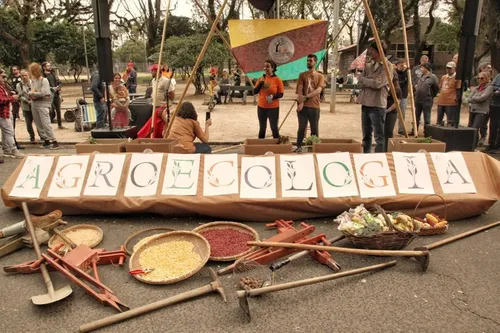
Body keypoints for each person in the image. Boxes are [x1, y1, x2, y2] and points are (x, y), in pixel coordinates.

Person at [357, 41, 390, 153]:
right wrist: (367, 81)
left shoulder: (387, 66)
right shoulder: (368, 65)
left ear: (379, 51)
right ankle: (366, 156)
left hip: (377, 105)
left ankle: (379, 158)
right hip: (366, 103)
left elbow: (378, 84)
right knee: (366, 135)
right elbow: (360, 82)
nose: (370, 52)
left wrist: (365, 80)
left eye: (372, 50)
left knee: (379, 137)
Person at [295, 54, 324, 152]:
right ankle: (299, 146)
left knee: (314, 129)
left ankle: (314, 148)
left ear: (315, 62)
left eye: (310, 61)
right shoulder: (302, 75)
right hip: (303, 106)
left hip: (314, 106)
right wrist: (301, 102)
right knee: (301, 128)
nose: (308, 62)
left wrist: (306, 97)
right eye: (307, 60)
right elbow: (300, 89)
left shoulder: (320, 76)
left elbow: (318, 90)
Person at [28, 63, 59, 149]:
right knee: (38, 123)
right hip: (34, 104)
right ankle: (46, 140)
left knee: (46, 123)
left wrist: (33, 93)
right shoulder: (33, 80)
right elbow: (32, 91)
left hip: (43, 104)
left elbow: (45, 93)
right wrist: (32, 94)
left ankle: (54, 141)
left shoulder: (44, 80)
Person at [253, 60, 284, 140]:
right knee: (262, 128)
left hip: (273, 108)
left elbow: (281, 94)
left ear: (272, 68)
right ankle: (260, 147)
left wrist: (273, 97)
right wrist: (261, 83)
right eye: (264, 66)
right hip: (261, 107)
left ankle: (277, 147)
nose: (265, 68)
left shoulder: (277, 80)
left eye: (268, 66)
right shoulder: (260, 79)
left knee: (274, 128)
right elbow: (254, 91)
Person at [0, 68, 24, 162]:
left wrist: (10, 94)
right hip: (2, 113)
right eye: (3, 76)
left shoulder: (2, 86)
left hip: (5, 112)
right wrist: (11, 98)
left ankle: (6, 149)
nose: (4, 78)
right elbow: (1, 100)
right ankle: (14, 150)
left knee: (5, 132)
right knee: (9, 132)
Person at [467, 72, 493, 147]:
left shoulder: (489, 87)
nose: (479, 80)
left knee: (475, 127)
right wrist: (476, 98)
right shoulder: (476, 88)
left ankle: (474, 145)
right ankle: (472, 144)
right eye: (478, 78)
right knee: (471, 128)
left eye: (482, 78)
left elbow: (483, 98)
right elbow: (469, 98)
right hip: (473, 110)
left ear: (487, 78)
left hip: (482, 111)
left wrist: (474, 98)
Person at [414, 62, 439, 132]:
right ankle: (415, 130)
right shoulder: (421, 76)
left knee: (426, 116)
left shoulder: (432, 77)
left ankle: (427, 131)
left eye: (422, 67)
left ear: (426, 68)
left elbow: (436, 88)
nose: (421, 69)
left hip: (427, 100)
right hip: (418, 99)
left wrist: (430, 95)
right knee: (416, 115)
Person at [384, 67, 402, 152]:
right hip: (381, 110)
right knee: (381, 131)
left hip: (391, 112)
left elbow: (397, 102)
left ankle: (388, 149)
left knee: (388, 131)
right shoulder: (384, 87)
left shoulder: (397, 89)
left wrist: (388, 110)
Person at [16, 69, 37, 144]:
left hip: (35, 105)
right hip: (26, 106)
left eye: (25, 75)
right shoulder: (19, 85)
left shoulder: (33, 82)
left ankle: (42, 136)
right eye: (22, 76)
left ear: (29, 75)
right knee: (28, 123)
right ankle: (32, 136)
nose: (24, 77)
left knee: (38, 121)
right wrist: (27, 101)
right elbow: (19, 95)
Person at [42, 62, 64, 129]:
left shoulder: (53, 75)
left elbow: (59, 82)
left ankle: (60, 125)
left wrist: (58, 87)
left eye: (50, 66)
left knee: (58, 110)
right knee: (49, 111)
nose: (50, 67)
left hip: (56, 95)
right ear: (44, 67)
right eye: (48, 66)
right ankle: (48, 126)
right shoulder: (42, 76)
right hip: (48, 96)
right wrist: (51, 88)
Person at [436, 62, 458, 126]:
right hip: (441, 101)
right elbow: (440, 87)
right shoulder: (443, 77)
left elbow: (458, 89)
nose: (448, 70)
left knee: (450, 120)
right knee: (439, 119)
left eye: (450, 68)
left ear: (454, 68)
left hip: (451, 102)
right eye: (447, 68)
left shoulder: (457, 78)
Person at [485, 73, 500, 153]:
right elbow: (491, 86)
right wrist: (496, 89)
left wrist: (497, 89)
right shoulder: (498, 76)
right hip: (495, 105)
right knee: (493, 125)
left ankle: (498, 147)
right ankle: (491, 145)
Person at [395, 59, 409, 135]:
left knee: (402, 113)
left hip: (403, 95)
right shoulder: (394, 72)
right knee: (392, 112)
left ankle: (401, 129)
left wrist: (406, 70)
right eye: (401, 65)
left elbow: (407, 81)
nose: (402, 66)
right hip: (395, 95)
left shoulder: (406, 73)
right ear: (397, 65)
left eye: (403, 65)